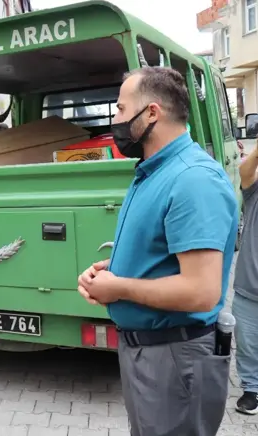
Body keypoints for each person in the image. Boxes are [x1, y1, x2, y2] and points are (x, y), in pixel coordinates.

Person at [77, 67, 237, 436]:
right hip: (150, 353)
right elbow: (161, 250)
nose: (114, 119)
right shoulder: (154, 171)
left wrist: (119, 288)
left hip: (174, 357)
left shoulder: (192, 179)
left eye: (119, 109)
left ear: (151, 113)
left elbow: (201, 291)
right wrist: (110, 268)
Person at [231, 140, 258, 415]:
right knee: (248, 342)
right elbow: (245, 171)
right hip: (250, 287)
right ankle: (252, 388)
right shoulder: (255, 192)